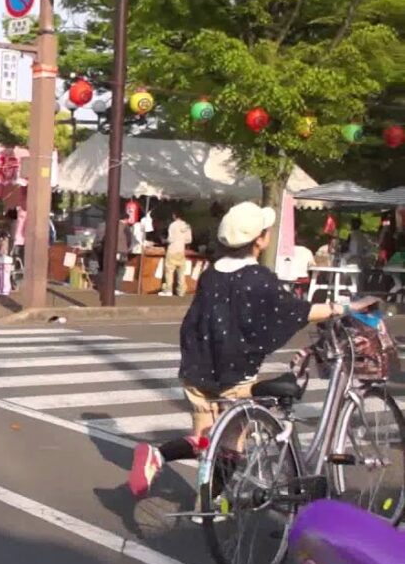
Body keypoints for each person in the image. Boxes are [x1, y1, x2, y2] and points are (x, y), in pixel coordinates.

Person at [128, 201, 378, 499]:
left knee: (204, 440)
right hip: (235, 375)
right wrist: (342, 307)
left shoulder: (211, 274)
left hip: (197, 369)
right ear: (259, 239)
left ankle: (160, 456)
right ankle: (207, 505)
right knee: (231, 445)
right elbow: (294, 310)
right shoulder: (257, 278)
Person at [160, 211, 193, 297]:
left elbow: (170, 239)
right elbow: (189, 240)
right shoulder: (187, 226)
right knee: (181, 272)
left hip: (172, 250)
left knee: (169, 271)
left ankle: (168, 290)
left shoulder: (173, 225)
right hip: (181, 250)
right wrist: (181, 241)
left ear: (174, 216)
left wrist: (164, 241)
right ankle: (181, 291)